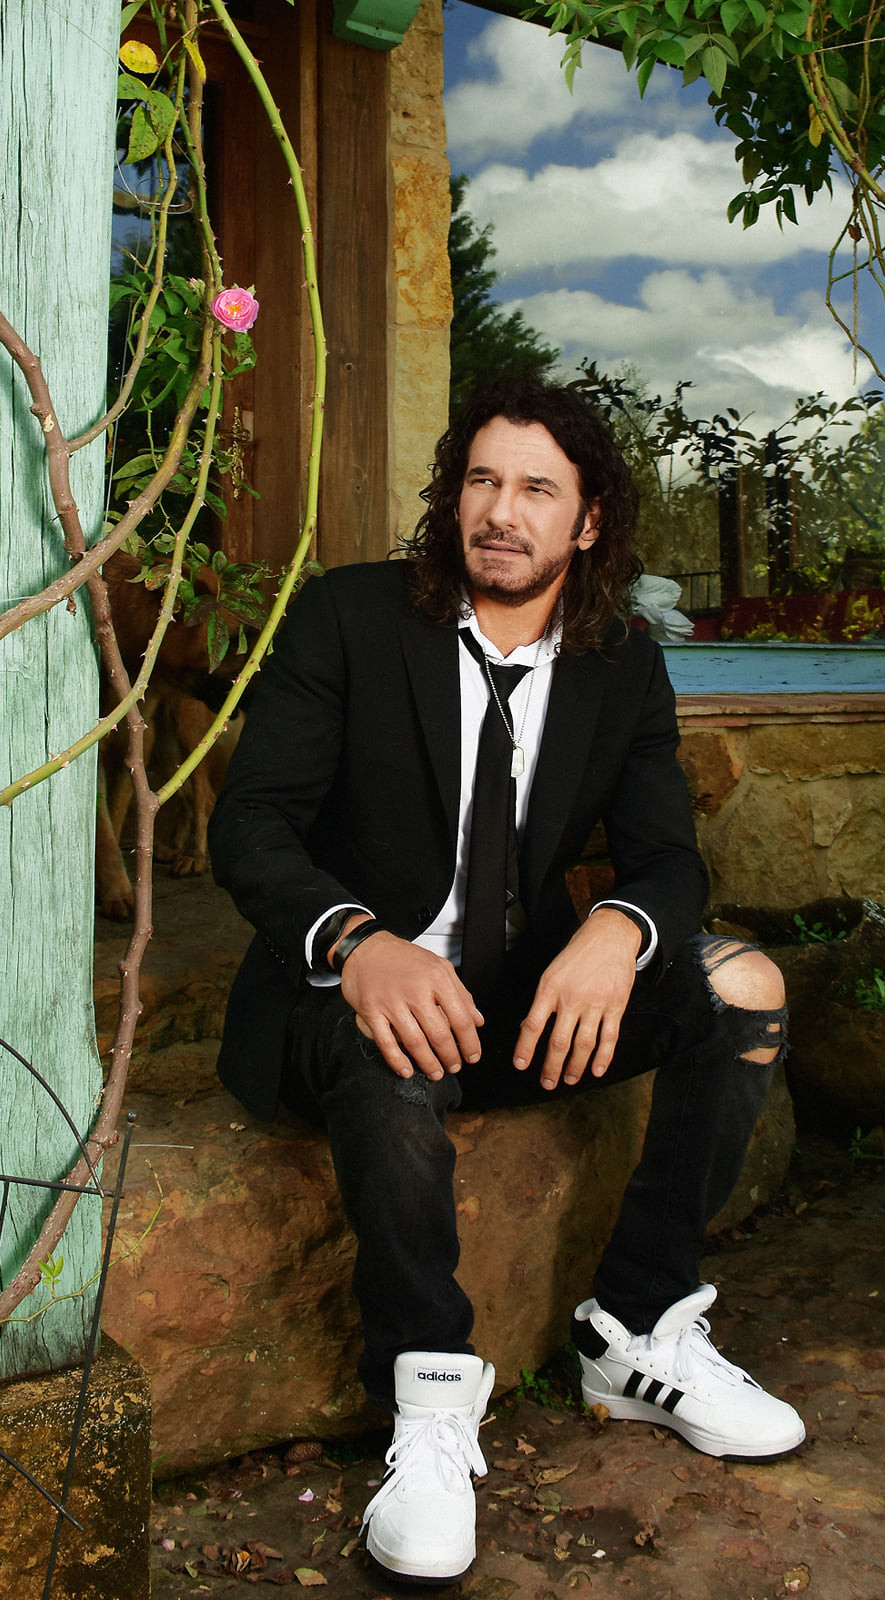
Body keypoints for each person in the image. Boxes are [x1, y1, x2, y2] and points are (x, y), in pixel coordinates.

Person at [209, 374, 801, 1584]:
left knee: (742, 985)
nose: (501, 510)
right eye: (482, 479)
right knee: (391, 1034)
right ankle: (428, 1401)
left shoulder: (622, 662)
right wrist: (356, 940)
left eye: (537, 487)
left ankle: (637, 1328)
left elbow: (670, 857)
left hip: (520, 1006)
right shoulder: (350, 616)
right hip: (348, 999)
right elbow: (252, 822)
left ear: (588, 520)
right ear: (454, 495)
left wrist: (618, 929)